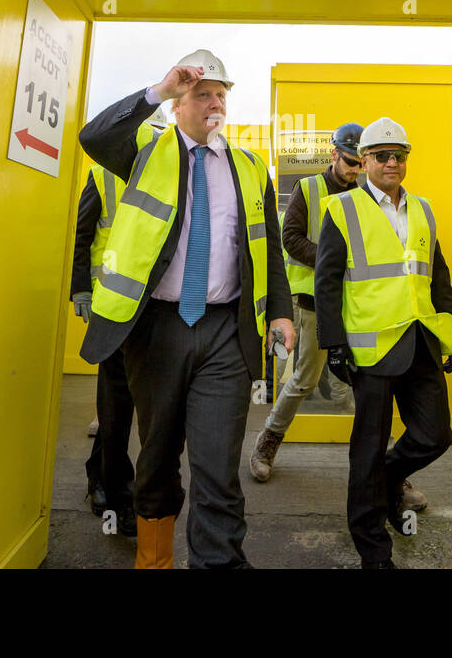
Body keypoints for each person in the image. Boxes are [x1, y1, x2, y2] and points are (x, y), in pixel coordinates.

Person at [78, 49, 295, 569]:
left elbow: (264, 249)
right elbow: (94, 137)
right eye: (202, 93)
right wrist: (159, 89)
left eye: (221, 94)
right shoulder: (144, 153)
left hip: (226, 330)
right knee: (155, 461)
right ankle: (154, 560)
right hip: (156, 330)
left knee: (218, 468)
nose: (214, 103)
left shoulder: (248, 167)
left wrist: (282, 312)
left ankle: (218, 562)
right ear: (180, 103)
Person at [315, 116, 452, 569]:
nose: (392, 162)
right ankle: (371, 546)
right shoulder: (341, 209)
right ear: (364, 161)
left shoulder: (423, 209)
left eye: (400, 155)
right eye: (382, 156)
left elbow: (437, 275)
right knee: (368, 446)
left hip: (420, 340)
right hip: (372, 347)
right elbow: (327, 282)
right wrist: (334, 344)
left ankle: (384, 482)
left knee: (435, 435)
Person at [71, 108, 167, 537]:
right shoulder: (103, 175)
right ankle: (117, 495)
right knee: (115, 410)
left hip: (155, 310)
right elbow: (83, 233)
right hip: (111, 306)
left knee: (134, 407)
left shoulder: (174, 177)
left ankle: (105, 477)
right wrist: (81, 290)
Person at [248, 124, 362, 480]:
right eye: (349, 161)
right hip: (314, 301)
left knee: (372, 383)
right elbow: (290, 237)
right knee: (305, 379)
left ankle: (387, 465)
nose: (355, 169)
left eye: (360, 162)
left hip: (358, 302)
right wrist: (332, 261)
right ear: (333, 154)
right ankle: (268, 439)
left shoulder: (364, 194)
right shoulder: (309, 188)